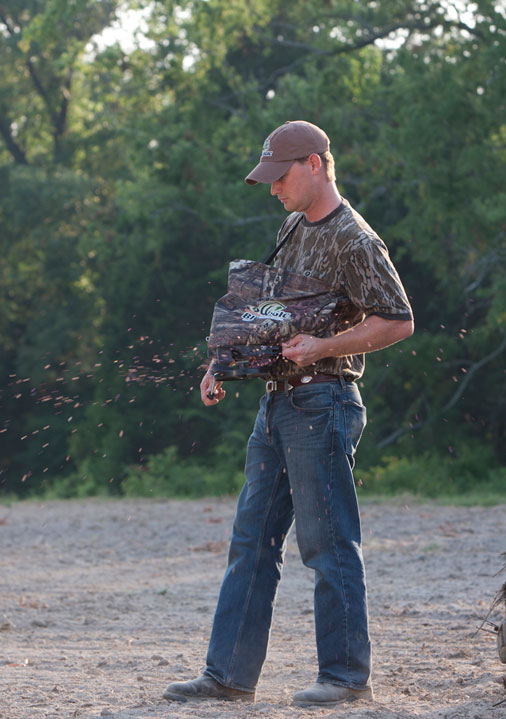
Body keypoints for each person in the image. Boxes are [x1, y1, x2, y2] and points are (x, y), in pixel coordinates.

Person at [164, 121, 413, 708]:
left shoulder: (356, 240)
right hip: (276, 406)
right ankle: (226, 676)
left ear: (316, 165)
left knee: (327, 546)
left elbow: (399, 320)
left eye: (280, 176)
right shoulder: (291, 227)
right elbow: (266, 314)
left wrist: (325, 347)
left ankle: (347, 678)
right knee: (250, 544)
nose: (273, 188)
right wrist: (219, 362)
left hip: (323, 404)